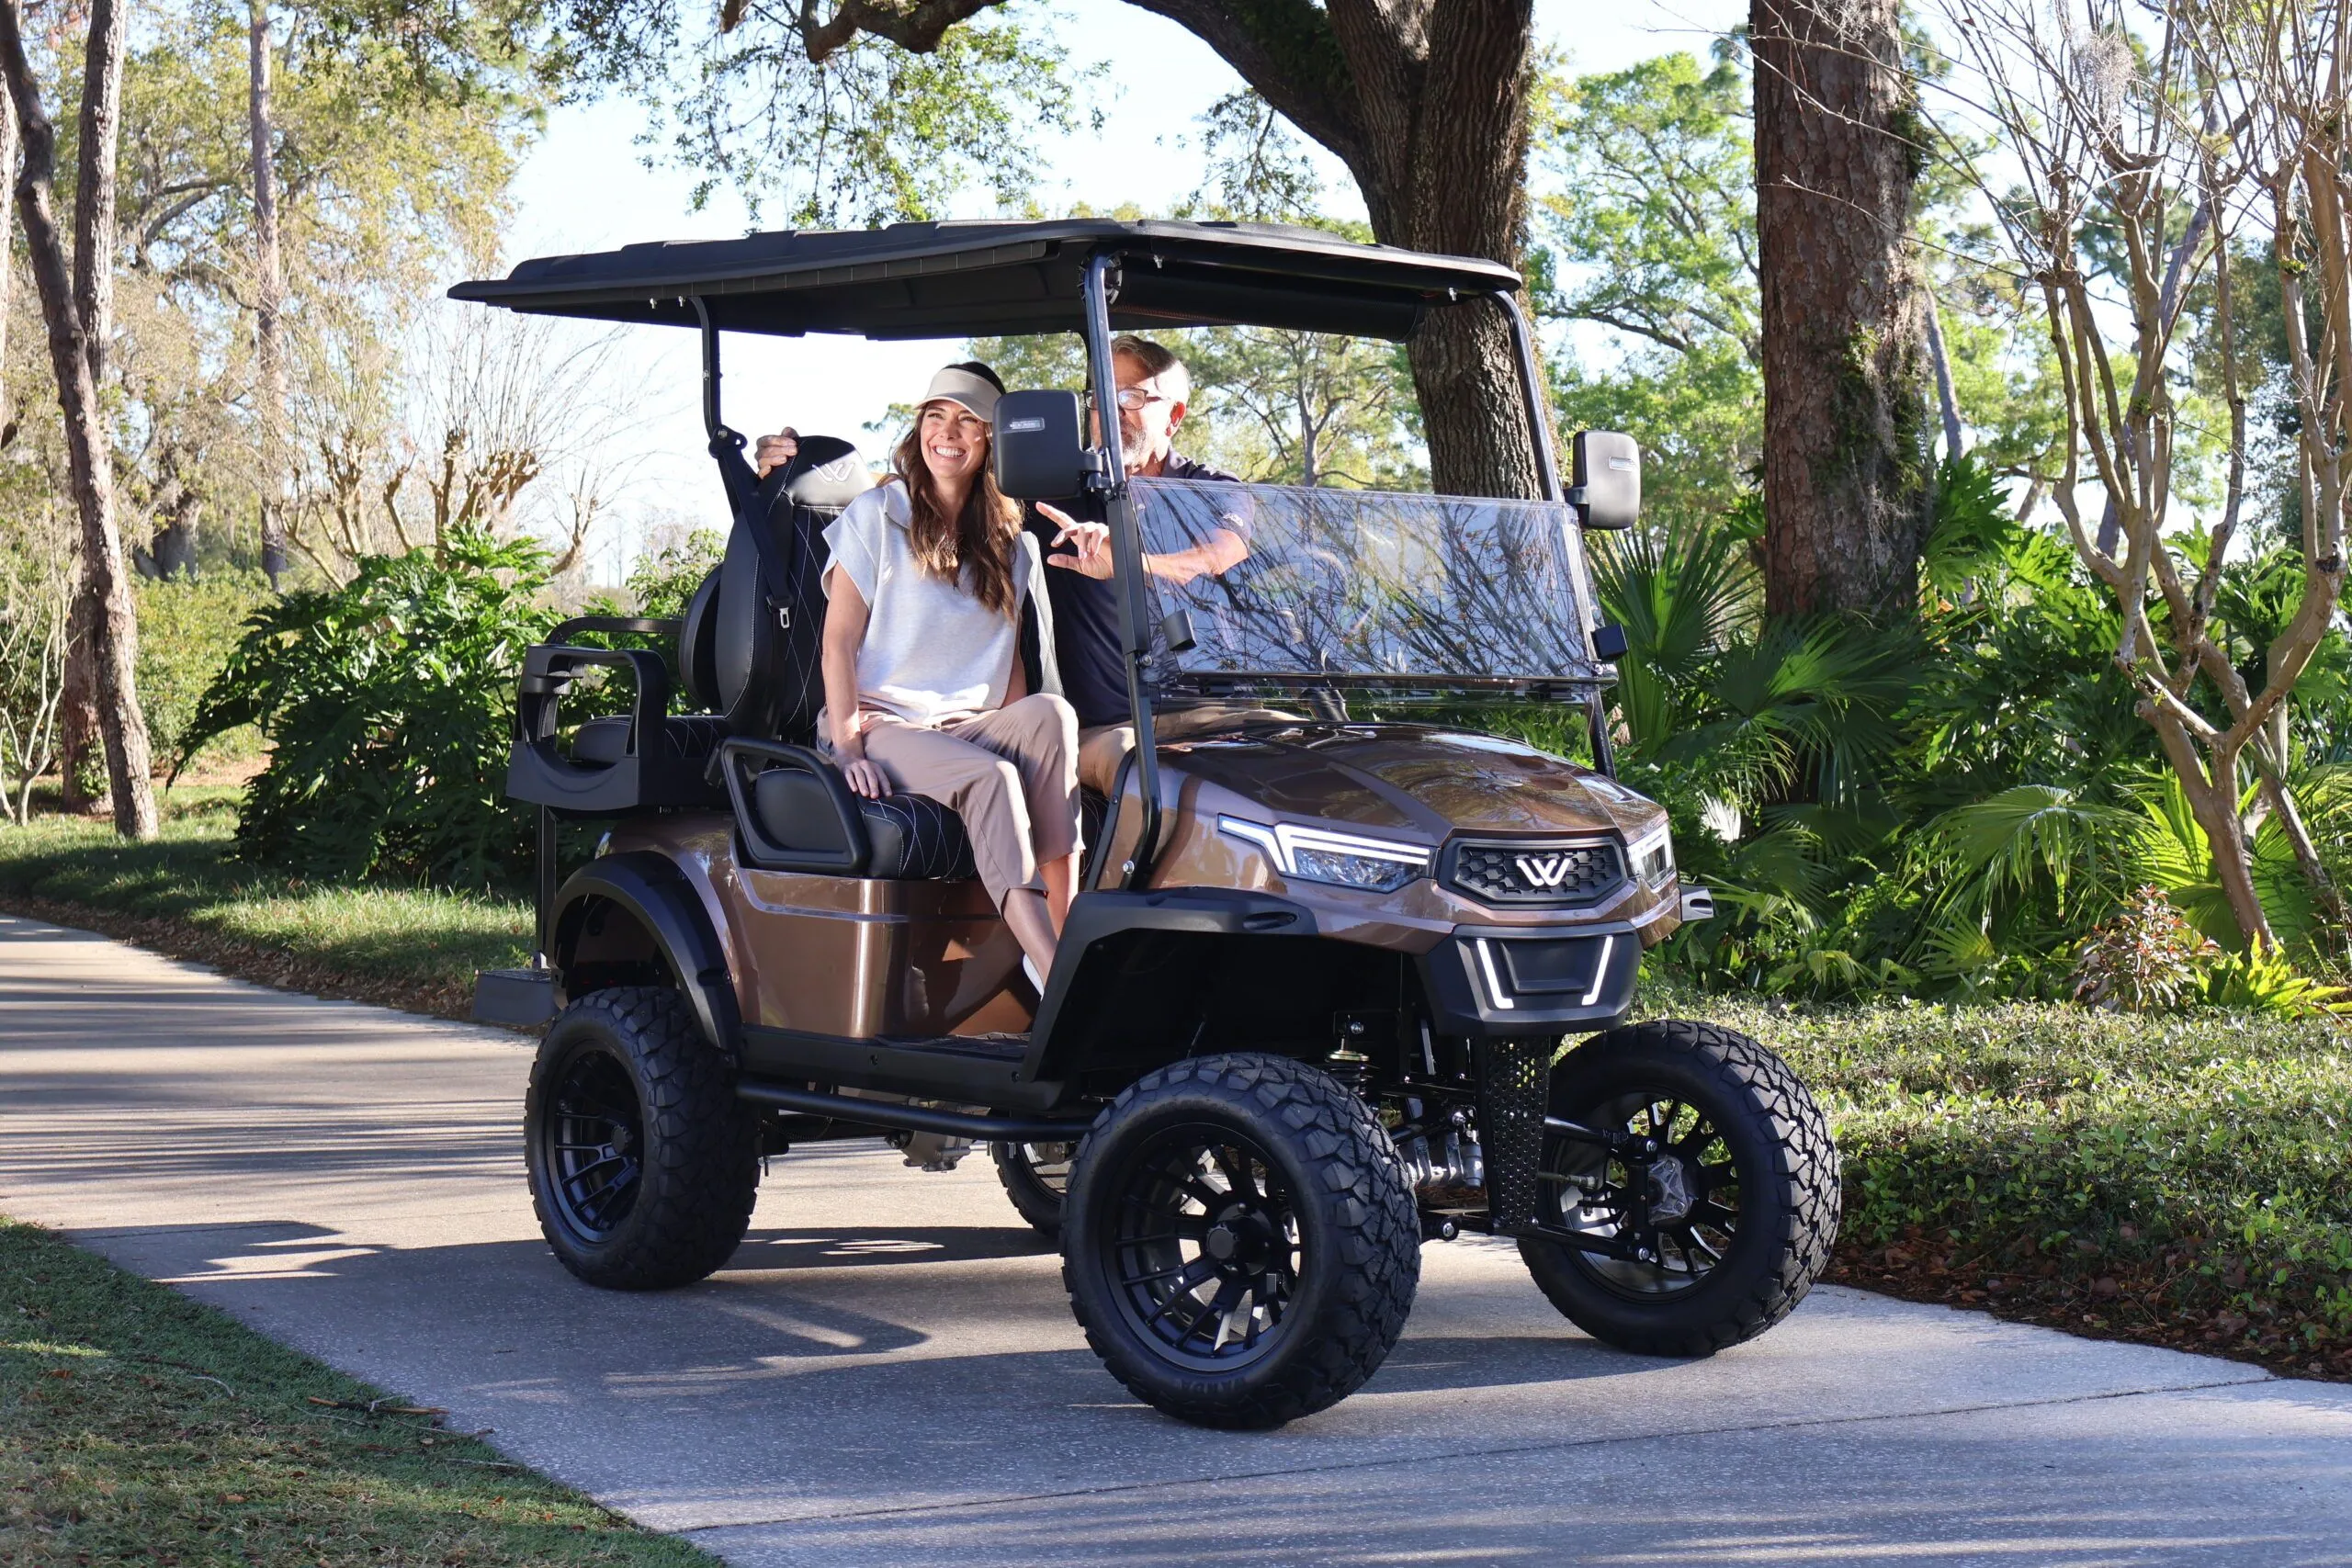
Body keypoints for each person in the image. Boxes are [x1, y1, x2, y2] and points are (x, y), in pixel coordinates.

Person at [812, 362, 1080, 982]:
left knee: (1052, 715)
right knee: (991, 778)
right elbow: (838, 645)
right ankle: (1054, 973)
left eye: (966, 419)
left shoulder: (1014, 544)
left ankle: (1070, 926)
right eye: (935, 415)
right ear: (919, 429)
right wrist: (849, 749)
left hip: (964, 725)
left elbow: (1009, 662)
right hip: (881, 722)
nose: (947, 431)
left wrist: (1013, 727)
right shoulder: (879, 514)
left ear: (990, 439)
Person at [1026, 335, 1291, 795]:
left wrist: (1129, 561)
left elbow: (1218, 555)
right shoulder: (1056, 492)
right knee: (1142, 775)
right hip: (1113, 728)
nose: (1110, 412)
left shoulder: (1208, 488)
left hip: (1218, 714)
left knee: (1319, 750)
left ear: (1174, 416)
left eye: (1130, 397)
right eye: (1099, 399)